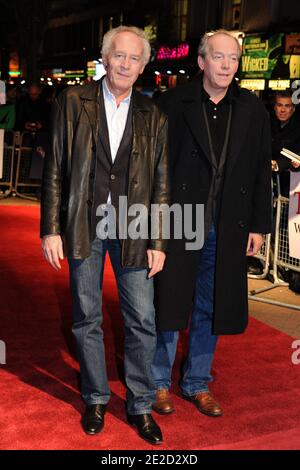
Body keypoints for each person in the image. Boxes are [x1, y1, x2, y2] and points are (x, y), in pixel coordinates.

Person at [40, 26, 170, 445]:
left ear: (143, 66)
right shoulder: (73, 102)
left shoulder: (155, 115)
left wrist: (159, 240)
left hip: (135, 227)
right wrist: (51, 229)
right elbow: (56, 166)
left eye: (134, 59)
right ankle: (95, 397)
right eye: (119, 56)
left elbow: (162, 184)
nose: (126, 65)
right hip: (84, 223)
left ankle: (141, 405)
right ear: (105, 57)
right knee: (86, 315)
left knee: (142, 320)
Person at [151, 30, 272, 417]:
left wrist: (258, 225)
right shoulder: (173, 103)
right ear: (201, 62)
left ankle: (197, 381)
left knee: (212, 304)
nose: (226, 65)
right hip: (180, 220)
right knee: (169, 302)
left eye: (233, 59)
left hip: (228, 225)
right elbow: (155, 168)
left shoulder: (252, 109)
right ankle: (157, 382)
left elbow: (258, 170)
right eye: (218, 58)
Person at [270, 90, 300, 197]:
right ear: (274, 107)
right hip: (269, 185)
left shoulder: (298, 128)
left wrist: (278, 164)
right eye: (279, 105)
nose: (283, 110)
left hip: (291, 188)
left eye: (287, 106)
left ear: (293, 109)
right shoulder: (266, 123)